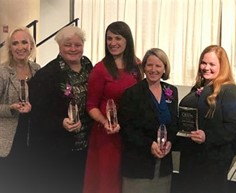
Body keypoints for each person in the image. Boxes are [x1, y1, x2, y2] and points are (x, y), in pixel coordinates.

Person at [29, 26, 93, 193]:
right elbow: (37, 112)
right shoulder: (47, 74)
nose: (73, 49)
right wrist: (60, 122)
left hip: (87, 146)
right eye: (68, 45)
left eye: (77, 45)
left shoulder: (88, 66)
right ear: (59, 46)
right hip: (59, 149)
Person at [173, 45, 236, 193]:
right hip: (191, 156)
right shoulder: (198, 87)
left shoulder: (231, 90)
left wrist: (208, 136)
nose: (206, 67)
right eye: (203, 63)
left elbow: (234, 128)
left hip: (213, 161)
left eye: (212, 64)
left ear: (222, 67)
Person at [83, 21, 142, 193]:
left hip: (129, 131)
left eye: (118, 38)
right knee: (107, 182)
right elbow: (91, 105)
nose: (113, 43)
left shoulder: (136, 66)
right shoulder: (100, 70)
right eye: (109, 38)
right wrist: (105, 122)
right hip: (107, 135)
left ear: (127, 41)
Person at [118, 48, 178, 193]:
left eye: (158, 66)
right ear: (143, 67)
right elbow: (126, 130)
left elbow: (174, 124)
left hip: (163, 165)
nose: (153, 69)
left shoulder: (171, 91)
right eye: (149, 65)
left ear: (165, 68)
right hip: (138, 165)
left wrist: (170, 141)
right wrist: (149, 145)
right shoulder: (131, 93)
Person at [0, 26, 40, 193]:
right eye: (15, 43)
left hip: (32, 136)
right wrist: (11, 108)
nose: (20, 47)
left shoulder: (37, 69)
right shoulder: (2, 72)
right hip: (9, 138)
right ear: (10, 48)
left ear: (31, 45)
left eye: (24, 42)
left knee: (29, 183)